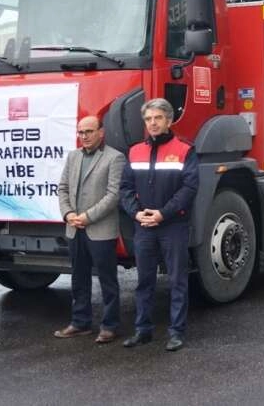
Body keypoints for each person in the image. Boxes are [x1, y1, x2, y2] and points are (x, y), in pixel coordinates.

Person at [119, 98, 198, 352]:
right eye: (148, 119)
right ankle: (143, 330)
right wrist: (136, 214)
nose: (152, 123)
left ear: (169, 120)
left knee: (177, 280)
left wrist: (163, 214)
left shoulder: (185, 150)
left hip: (173, 226)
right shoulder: (134, 151)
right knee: (144, 281)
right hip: (144, 226)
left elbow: (189, 188)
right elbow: (125, 188)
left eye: (158, 118)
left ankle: (176, 332)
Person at [55, 115, 126, 344]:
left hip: (100, 229)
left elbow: (113, 195)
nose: (84, 136)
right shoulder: (73, 156)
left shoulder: (115, 158)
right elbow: (62, 188)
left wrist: (88, 217)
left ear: (100, 132)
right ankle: (80, 323)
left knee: (107, 280)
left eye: (89, 131)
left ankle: (110, 326)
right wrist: (68, 214)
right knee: (79, 278)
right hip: (74, 228)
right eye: (81, 132)